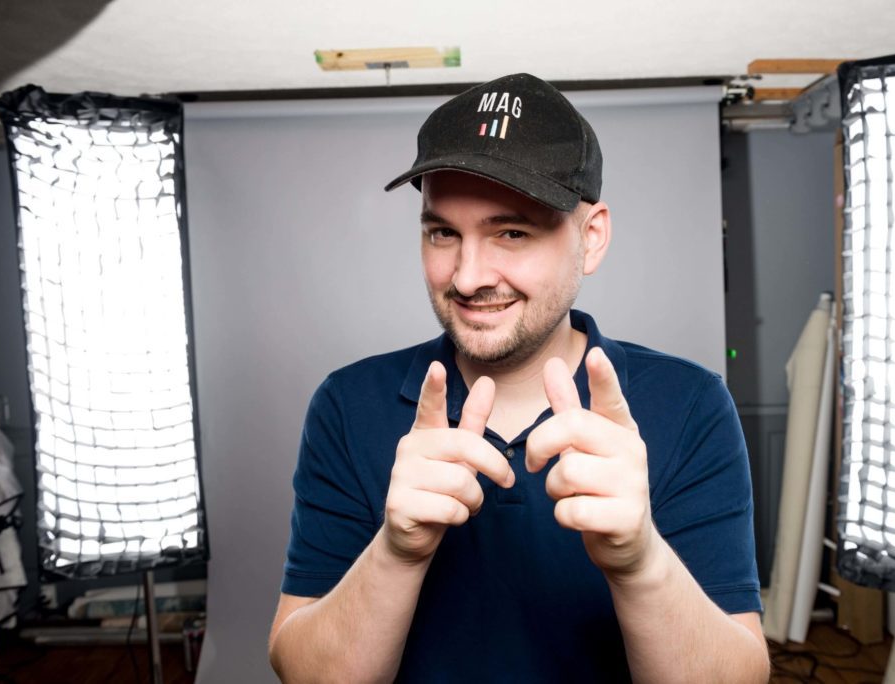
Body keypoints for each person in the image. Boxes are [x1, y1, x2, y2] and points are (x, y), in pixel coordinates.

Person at [268, 73, 769, 683]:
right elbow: (304, 674)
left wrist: (640, 562)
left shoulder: (690, 404)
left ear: (592, 237)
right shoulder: (348, 404)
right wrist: (397, 552)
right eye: (442, 232)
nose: (469, 275)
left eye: (512, 232)